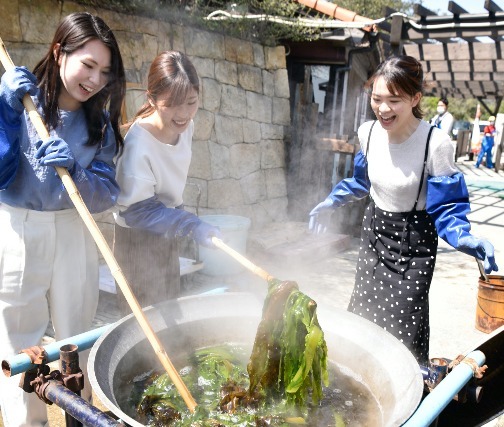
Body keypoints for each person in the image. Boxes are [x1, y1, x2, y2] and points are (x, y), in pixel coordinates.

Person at [308, 55, 498, 365]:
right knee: (362, 320)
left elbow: (447, 206)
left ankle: (409, 393)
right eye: (377, 98)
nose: (383, 108)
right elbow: (361, 180)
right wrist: (333, 201)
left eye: (393, 100)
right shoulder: (368, 134)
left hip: (414, 246)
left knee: (403, 333)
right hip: (374, 238)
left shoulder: (434, 144)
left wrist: (464, 237)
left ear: (415, 98)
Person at [0, 12, 125, 426]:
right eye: (87, 65)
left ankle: (82, 417)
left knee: (78, 335)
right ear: (59, 52)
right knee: (20, 341)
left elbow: (107, 191)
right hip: (19, 227)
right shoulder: (20, 101)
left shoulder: (100, 125)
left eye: (104, 72)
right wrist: (4, 114)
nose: (94, 79)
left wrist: (79, 170)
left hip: (74, 228)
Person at [113, 50, 222, 316]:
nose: (183, 114)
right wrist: (187, 223)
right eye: (172, 104)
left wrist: (181, 222)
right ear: (151, 98)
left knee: (170, 311)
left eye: (191, 102)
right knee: (138, 325)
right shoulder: (138, 146)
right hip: (136, 241)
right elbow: (137, 211)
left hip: (166, 232)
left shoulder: (187, 125)